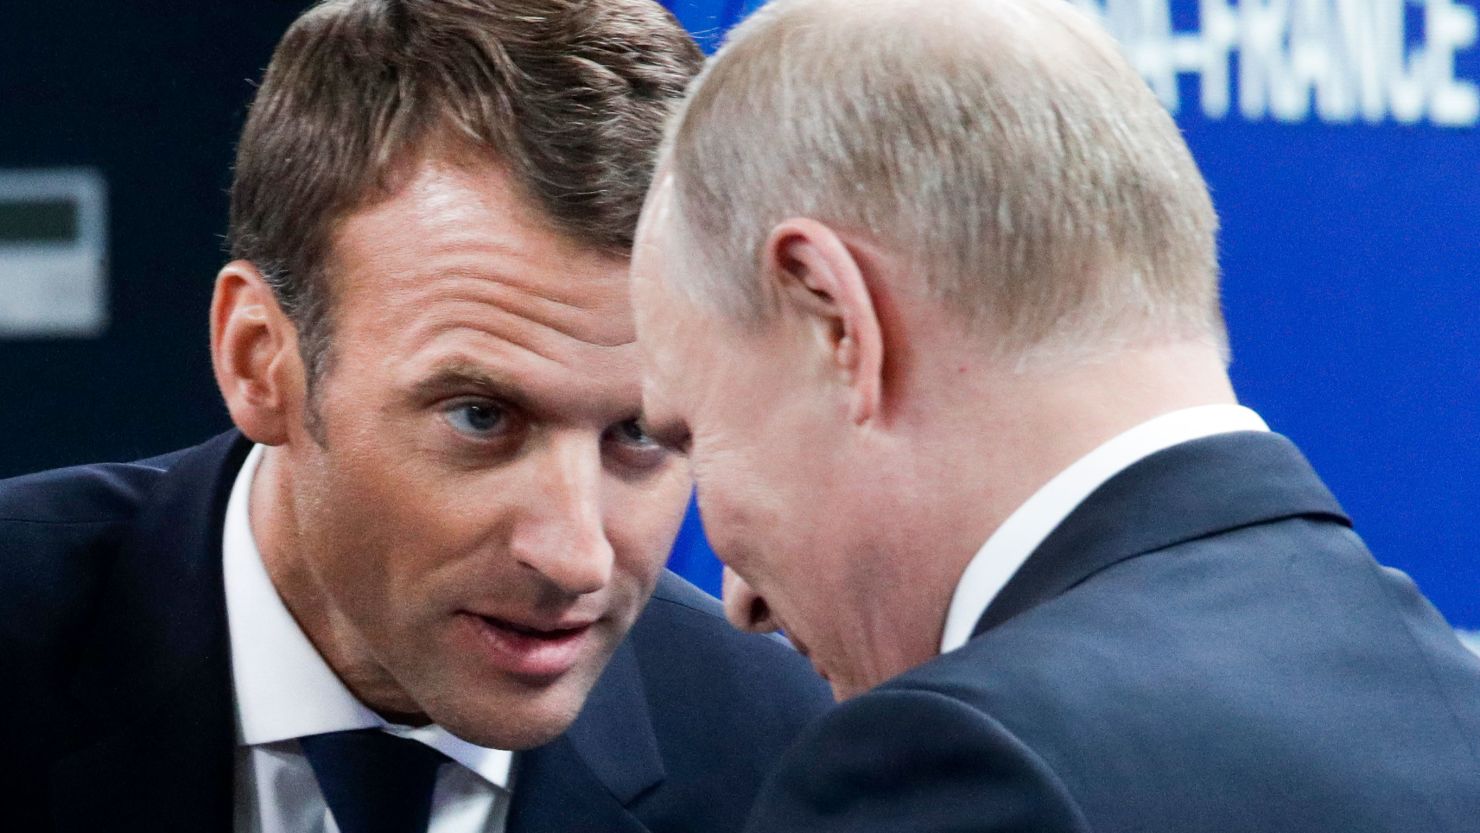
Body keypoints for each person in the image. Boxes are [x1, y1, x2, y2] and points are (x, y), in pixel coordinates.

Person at [630, 0, 1480, 830]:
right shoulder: (1451, 705)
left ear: (836, 321)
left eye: (689, 436)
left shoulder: (950, 769)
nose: (740, 602)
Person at [0, 1, 831, 831]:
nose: (577, 558)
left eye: (641, 432)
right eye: (480, 416)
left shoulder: (776, 756)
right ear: (260, 361)